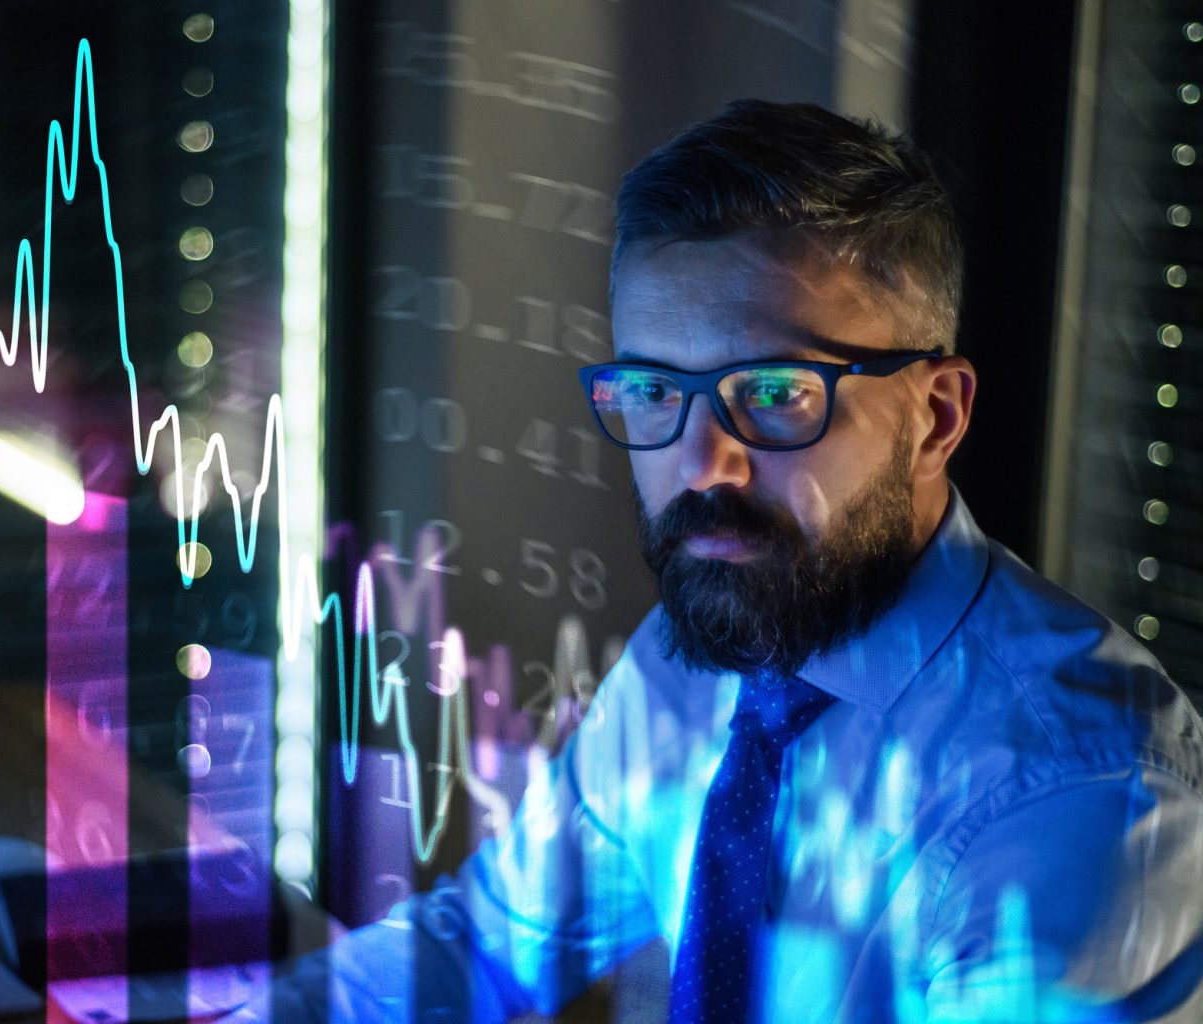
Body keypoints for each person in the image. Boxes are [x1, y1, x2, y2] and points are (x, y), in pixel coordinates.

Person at [244, 100, 1203, 1023]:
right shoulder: (702, 648)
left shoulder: (1081, 795)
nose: (704, 465)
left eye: (779, 391)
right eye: (655, 388)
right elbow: (487, 944)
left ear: (936, 418)